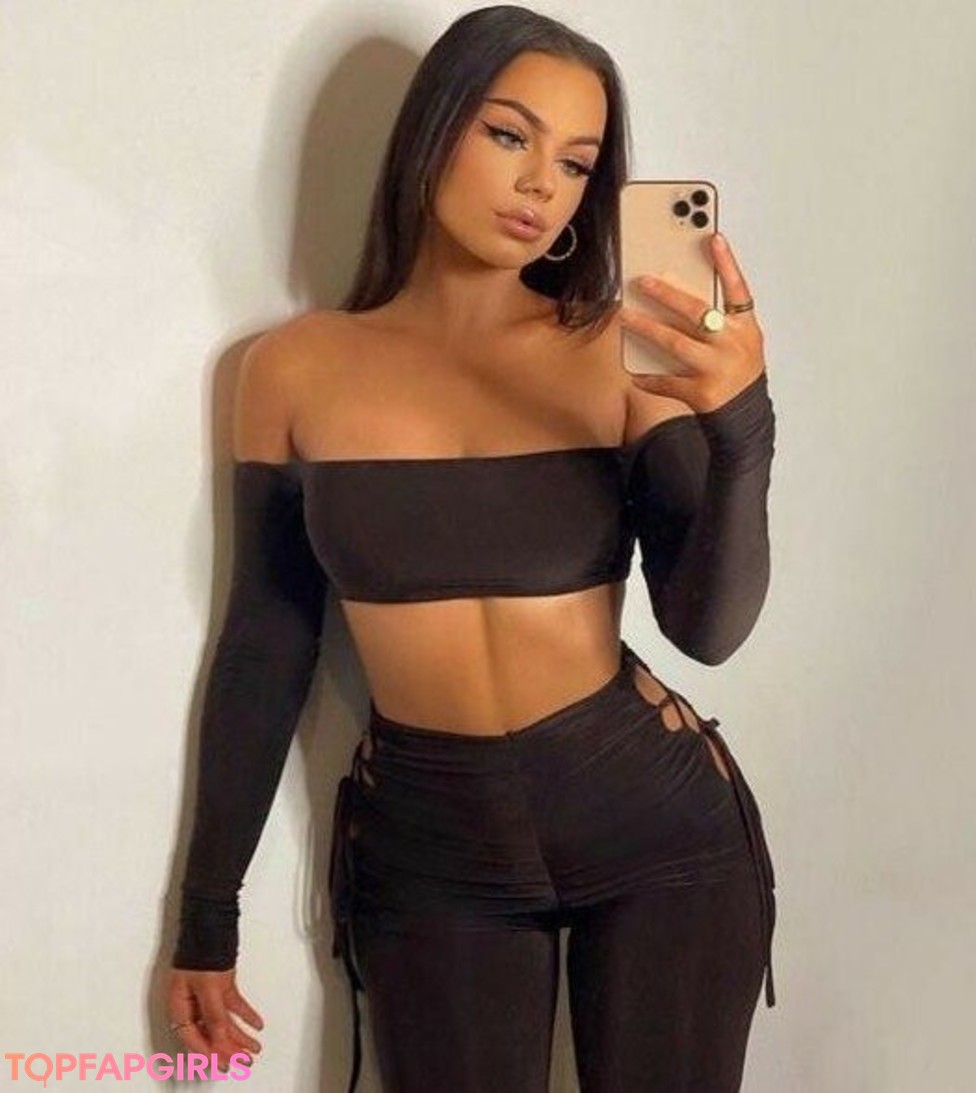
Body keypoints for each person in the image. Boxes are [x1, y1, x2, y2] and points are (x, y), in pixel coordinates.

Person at [165, 5, 778, 1091]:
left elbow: (709, 627)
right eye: (509, 135)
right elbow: (267, 644)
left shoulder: (618, 350)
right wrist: (207, 914)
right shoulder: (293, 370)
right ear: (434, 130)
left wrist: (740, 428)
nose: (542, 184)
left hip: (656, 831)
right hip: (430, 846)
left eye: (577, 163)